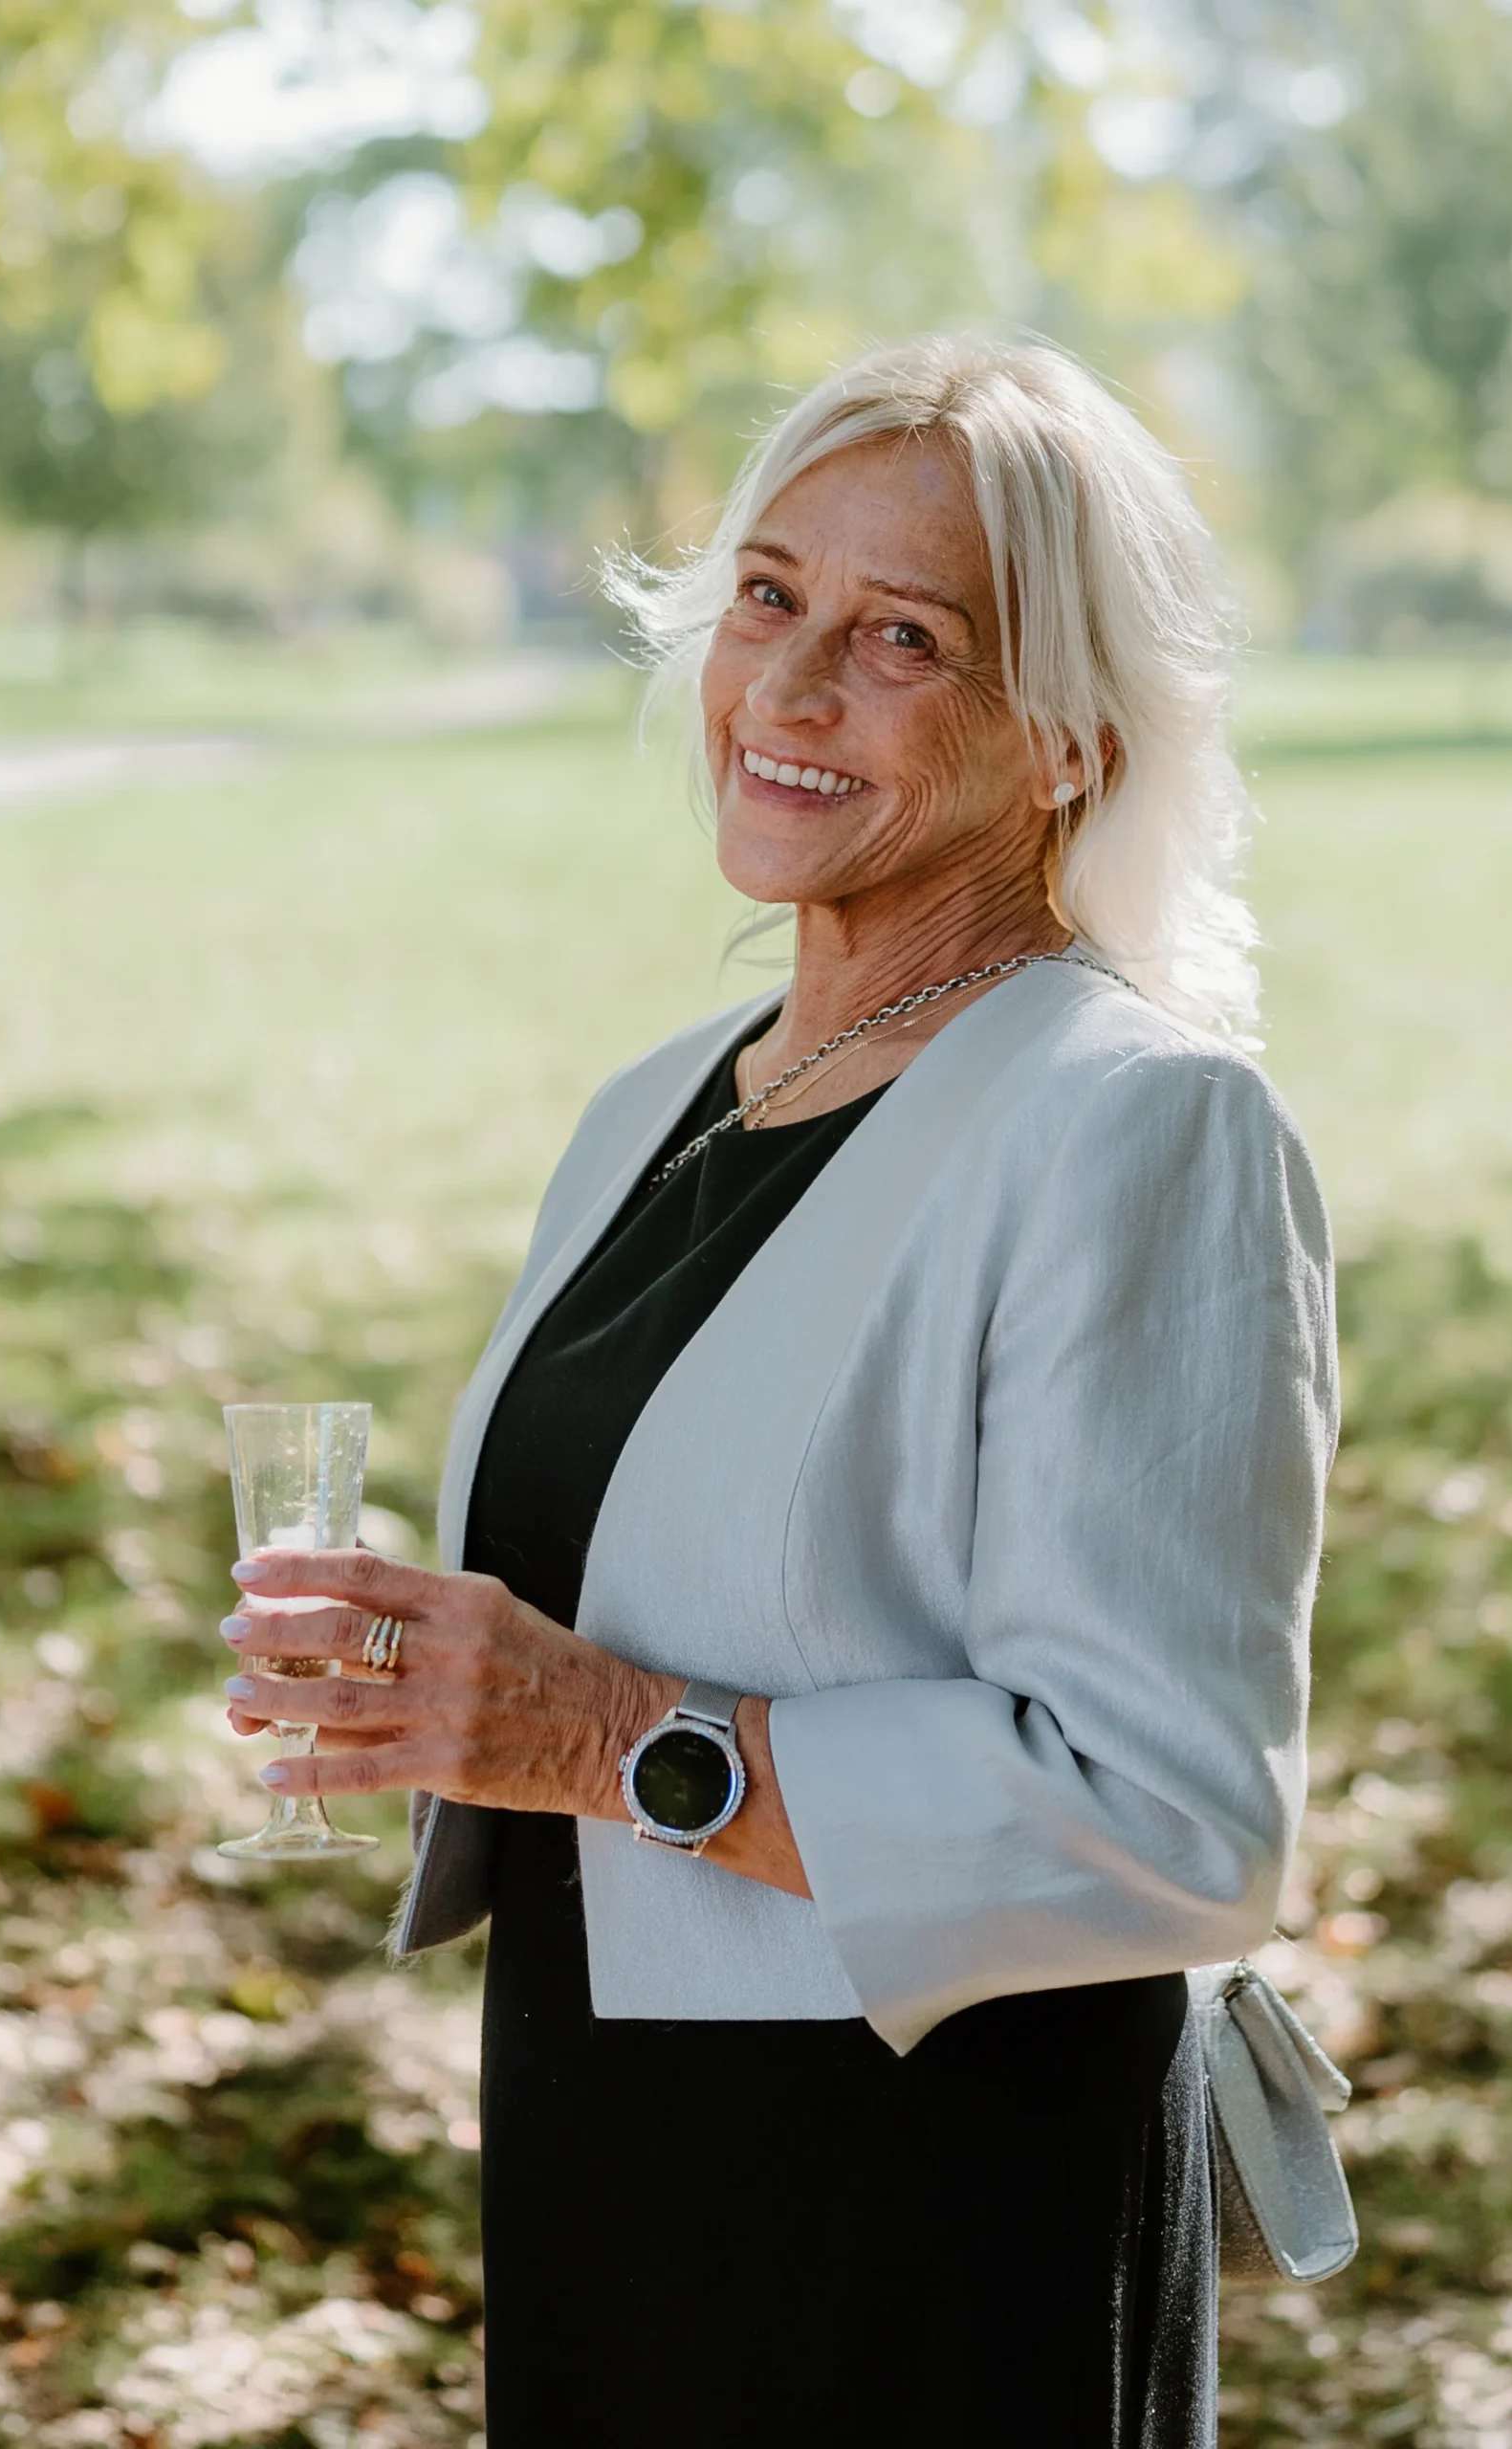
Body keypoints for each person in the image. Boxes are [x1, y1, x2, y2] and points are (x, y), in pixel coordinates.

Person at [220, 334, 1337, 2448]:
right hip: (610, 2134)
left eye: (900, 636)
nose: (791, 685)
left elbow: (1175, 1814)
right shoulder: (665, 1098)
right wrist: (439, 1681)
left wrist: (611, 1738)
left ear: (1073, 734)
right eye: (767, 594)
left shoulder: (1142, 1127)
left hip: (920, 2212)